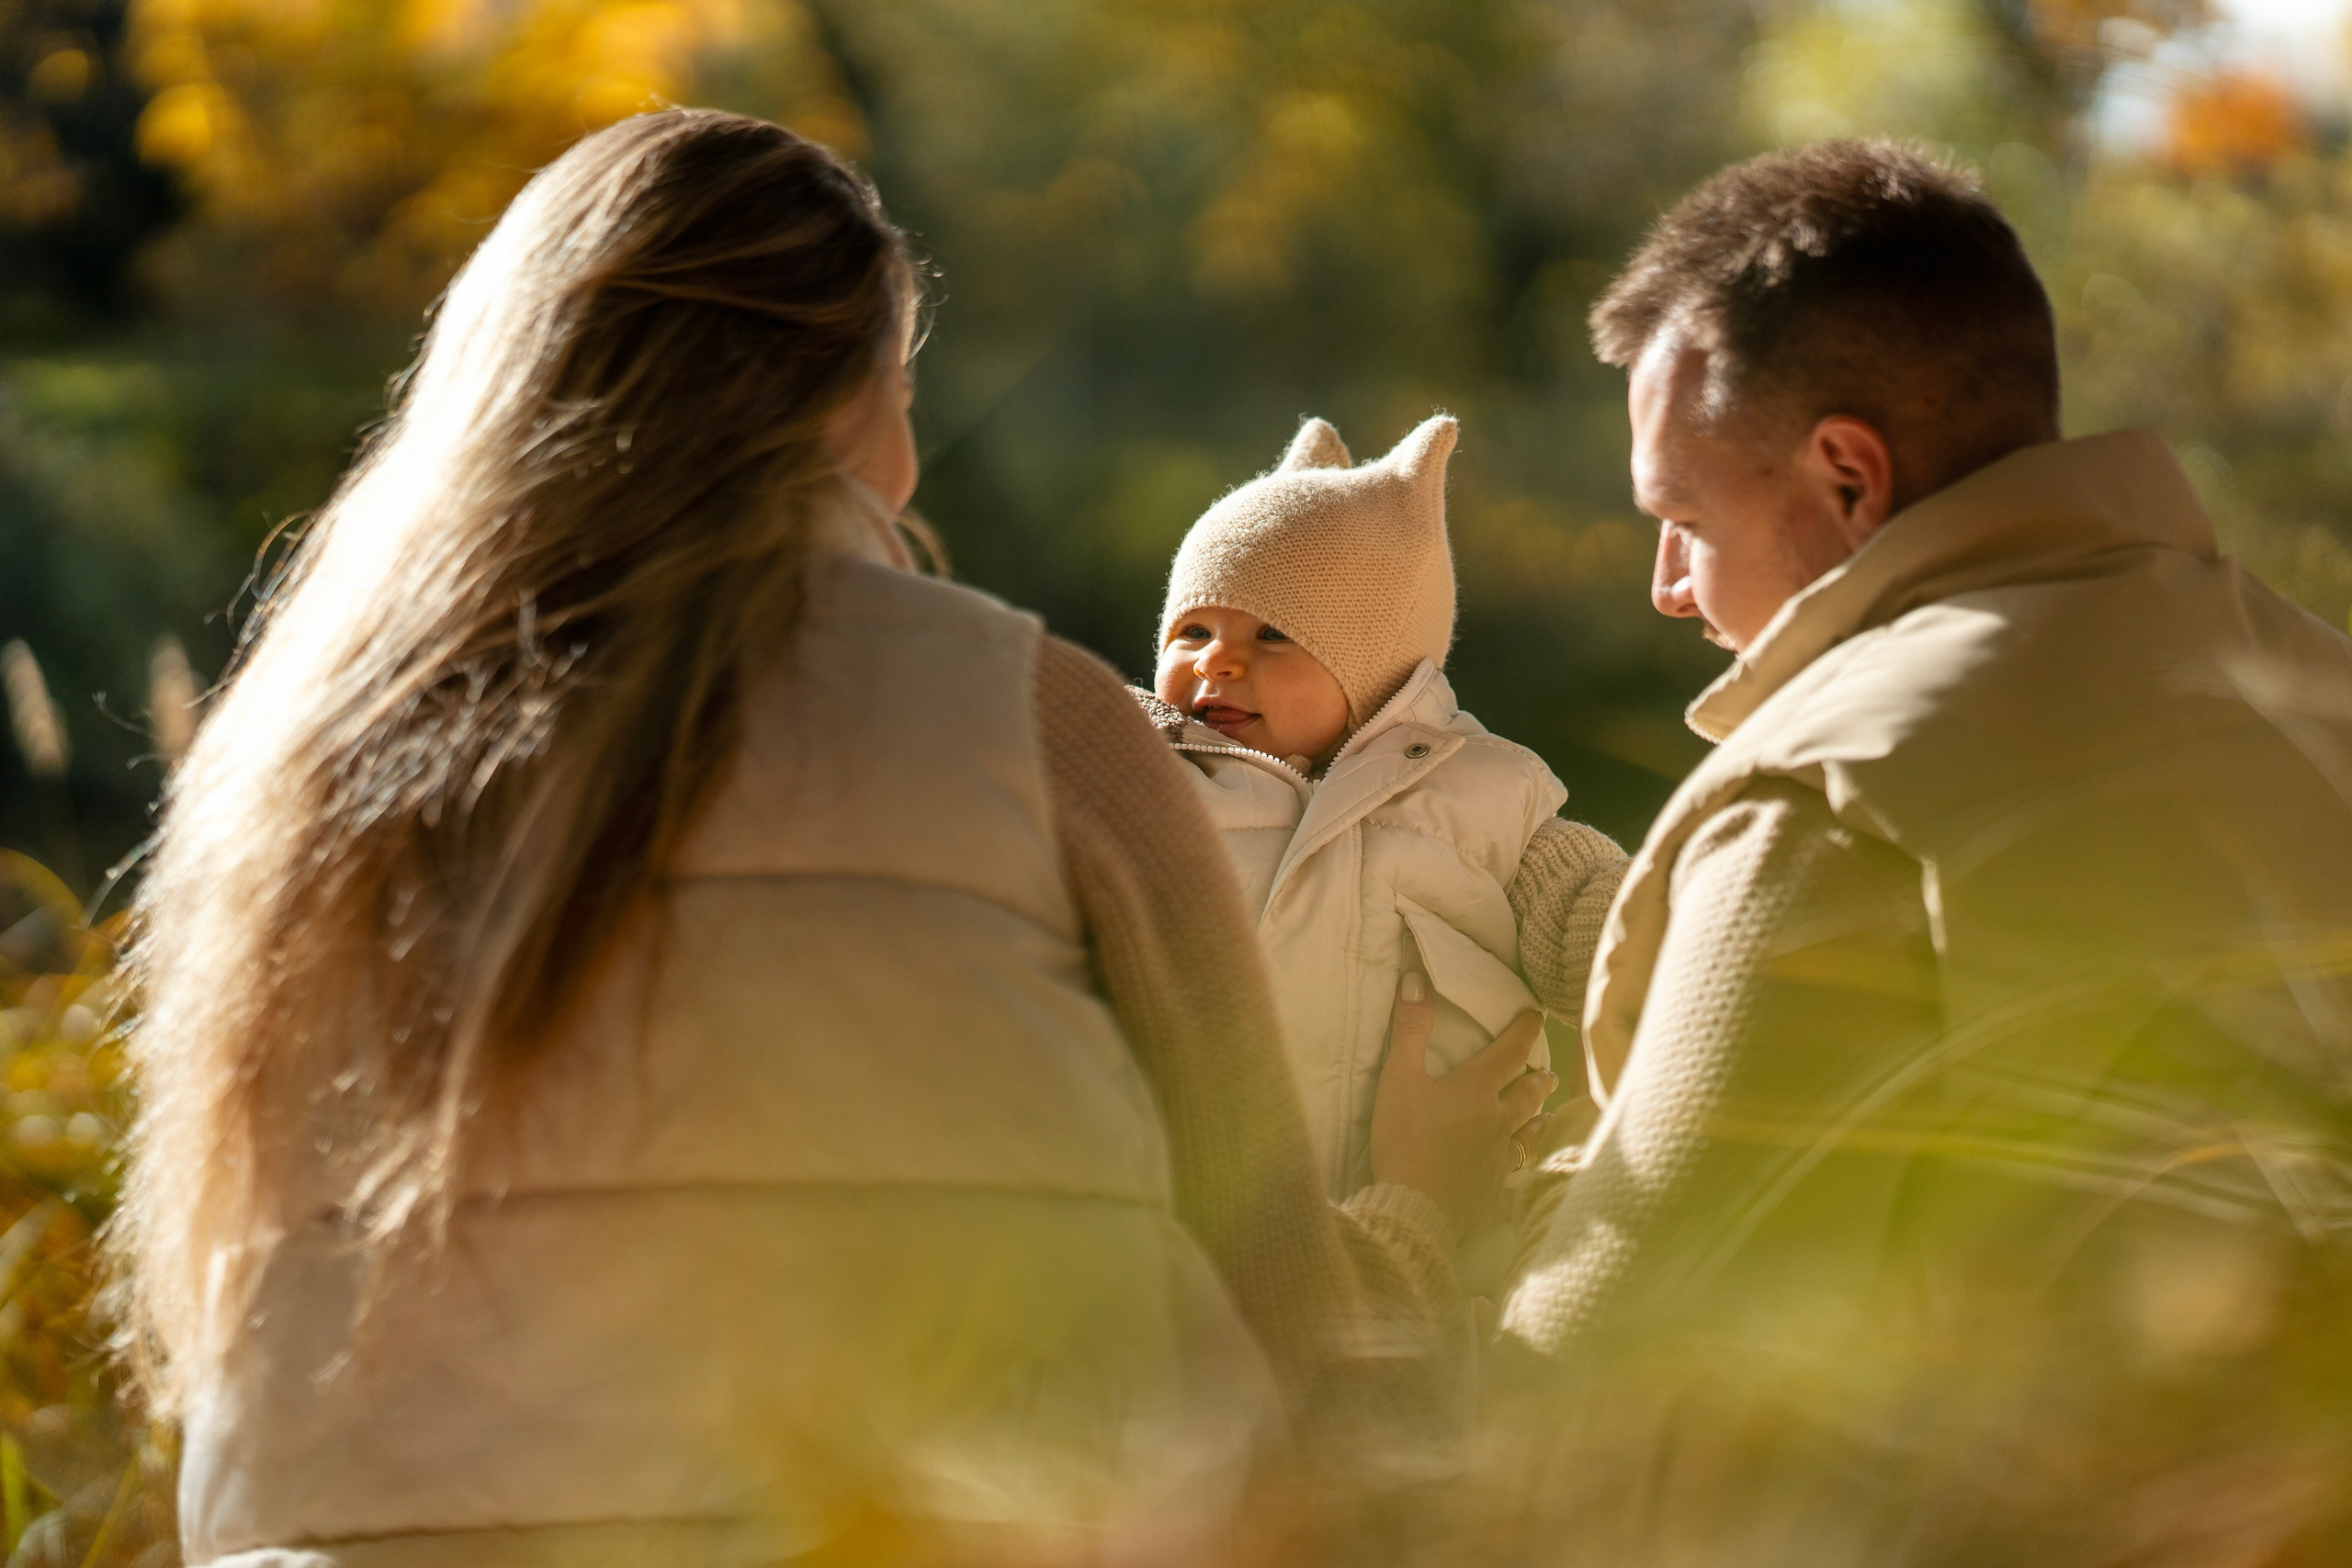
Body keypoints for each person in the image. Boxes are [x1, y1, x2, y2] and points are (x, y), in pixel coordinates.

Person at [113, 110, 1550, 1567]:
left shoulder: (299, 756)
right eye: (902, 388)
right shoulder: (1030, 714)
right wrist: (1422, 1221)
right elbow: (1281, 1303)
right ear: (855, 408)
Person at [1480, 140, 2352, 1562]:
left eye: (1684, 520)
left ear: (1846, 475)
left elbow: (1620, 1365)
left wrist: (1393, 1288)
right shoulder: (2319, 688)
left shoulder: (1836, 788)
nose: (1665, 585)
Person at [1135, 413, 1625, 1285]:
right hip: (1182, 1249)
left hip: (1447, 1245)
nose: (1217, 664)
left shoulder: (1483, 799)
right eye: (1193, 632)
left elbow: (1608, 926)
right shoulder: (1136, 779)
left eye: (1272, 636)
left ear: (1381, 668)